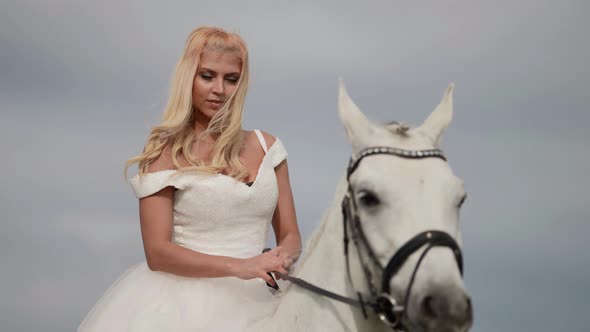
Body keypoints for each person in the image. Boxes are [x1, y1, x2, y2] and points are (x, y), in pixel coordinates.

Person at [77, 26, 302, 331]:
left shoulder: (268, 147)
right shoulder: (164, 152)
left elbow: (290, 234)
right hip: (182, 308)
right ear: (189, 77)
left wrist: (280, 258)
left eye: (231, 79)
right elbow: (158, 253)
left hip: (264, 300)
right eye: (207, 76)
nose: (219, 89)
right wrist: (241, 267)